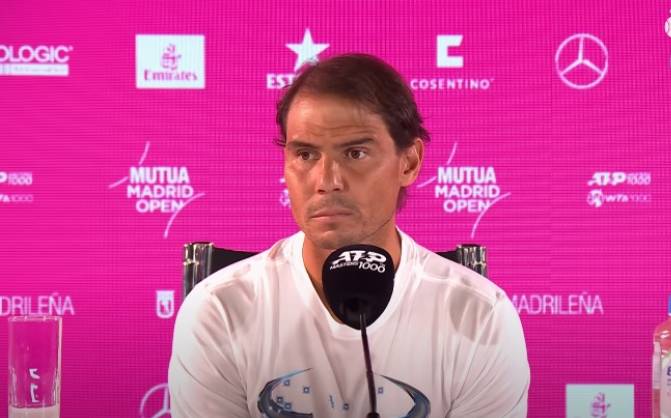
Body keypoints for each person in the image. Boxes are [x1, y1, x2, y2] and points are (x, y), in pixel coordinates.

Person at [168, 53, 530, 417]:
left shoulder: (479, 316)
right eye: (305, 155)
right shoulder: (220, 309)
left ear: (409, 162)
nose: (327, 181)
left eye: (355, 153)